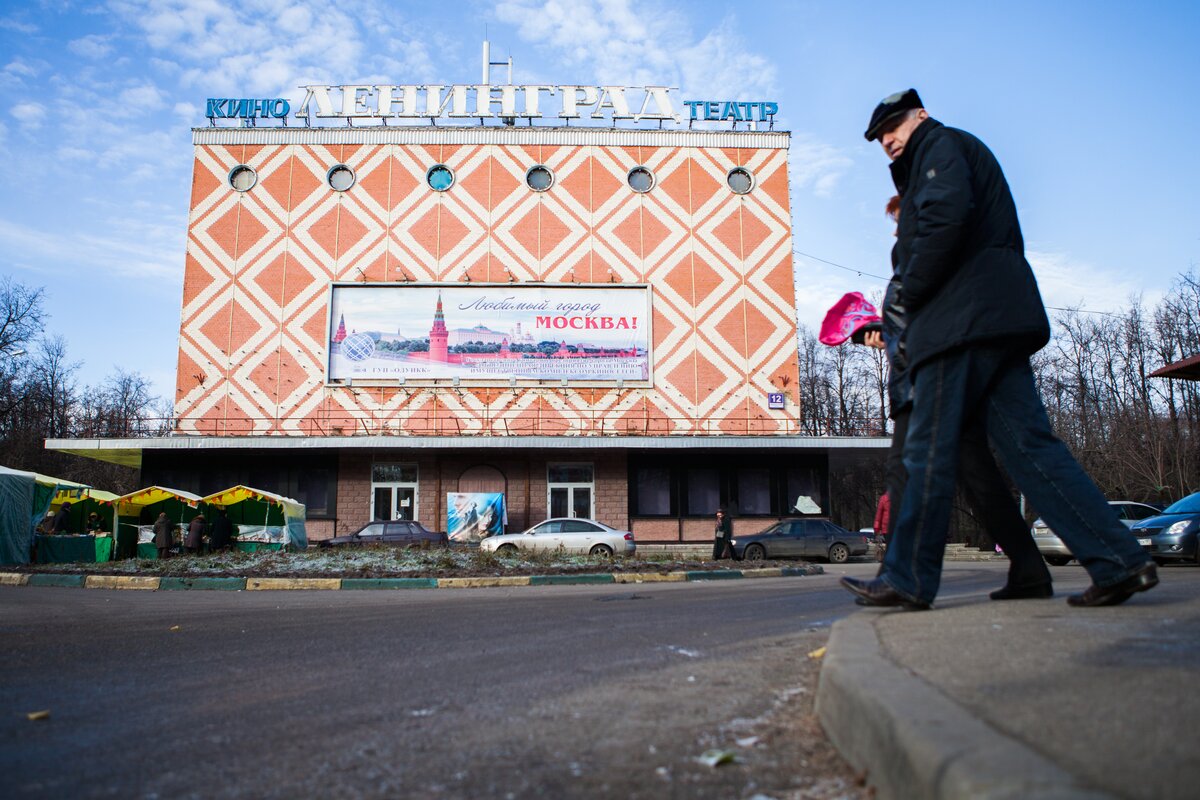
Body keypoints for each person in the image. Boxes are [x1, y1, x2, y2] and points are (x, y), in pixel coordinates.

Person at [842, 89, 1155, 610]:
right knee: (1030, 447)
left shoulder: (939, 147)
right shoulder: (949, 151)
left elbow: (943, 222)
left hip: (959, 325)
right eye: (880, 137)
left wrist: (911, 296)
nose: (889, 140)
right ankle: (1117, 559)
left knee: (926, 451)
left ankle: (907, 578)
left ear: (921, 114)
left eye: (895, 126)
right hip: (997, 319)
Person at [858, 196, 1053, 599]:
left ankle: (897, 576)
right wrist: (887, 335)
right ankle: (1029, 566)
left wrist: (898, 340)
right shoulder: (918, 255)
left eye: (900, 218)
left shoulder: (927, 255)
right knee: (979, 479)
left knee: (906, 474)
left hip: (925, 382)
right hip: (928, 374)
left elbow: (931, 316)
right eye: (893, 221)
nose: (895, 228)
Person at [872, 492, 890, 563]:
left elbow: (878, 516)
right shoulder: (902, 495)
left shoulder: (884, 498)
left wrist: (876, 529)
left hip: (887, 528)